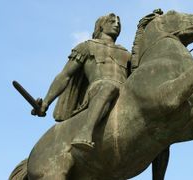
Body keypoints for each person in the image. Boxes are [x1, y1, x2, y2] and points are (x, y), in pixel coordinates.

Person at [32, 13, 131, 151]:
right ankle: (85, 132)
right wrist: (46, 102)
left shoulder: (127, 53)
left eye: (119, 23)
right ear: (101, 25)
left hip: (124, 92)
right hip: (99, 88)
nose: (117, 24)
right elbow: (65, 75)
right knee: (109, 86)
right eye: (112, 21)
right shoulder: (87, 46)